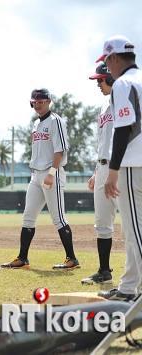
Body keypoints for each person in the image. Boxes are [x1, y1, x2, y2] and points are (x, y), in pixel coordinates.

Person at [1, 88, 79, 270]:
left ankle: (72, 259)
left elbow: (60, 150)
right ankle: (22, 258)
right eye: (35, 101)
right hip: (36, 175)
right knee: (28, 216)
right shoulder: (36, 123)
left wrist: (52, 173)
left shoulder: (55, 121)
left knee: (58, 217)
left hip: (52, 173)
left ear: (49, 101)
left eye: (41, 101)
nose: (38, 104)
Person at [97, 35, 142, 302]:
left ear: (114, 57)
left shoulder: (123, 83)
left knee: (134, 232)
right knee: (135, 229)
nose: (107, 66)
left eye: (106, 60)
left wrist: (113, 171)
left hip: (133, 164)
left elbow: (124, 127)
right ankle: (128, 288)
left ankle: (131, 291)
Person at [81, 64, 118, 285]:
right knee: (102, 222)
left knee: (133, 223)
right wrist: (97, 171)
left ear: (112, 78)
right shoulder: (104, 105)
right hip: (103, 168)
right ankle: (104, 271)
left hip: (122, 168)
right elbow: (102, 142)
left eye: (101, 80)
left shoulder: (127, 101)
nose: (98, 84)